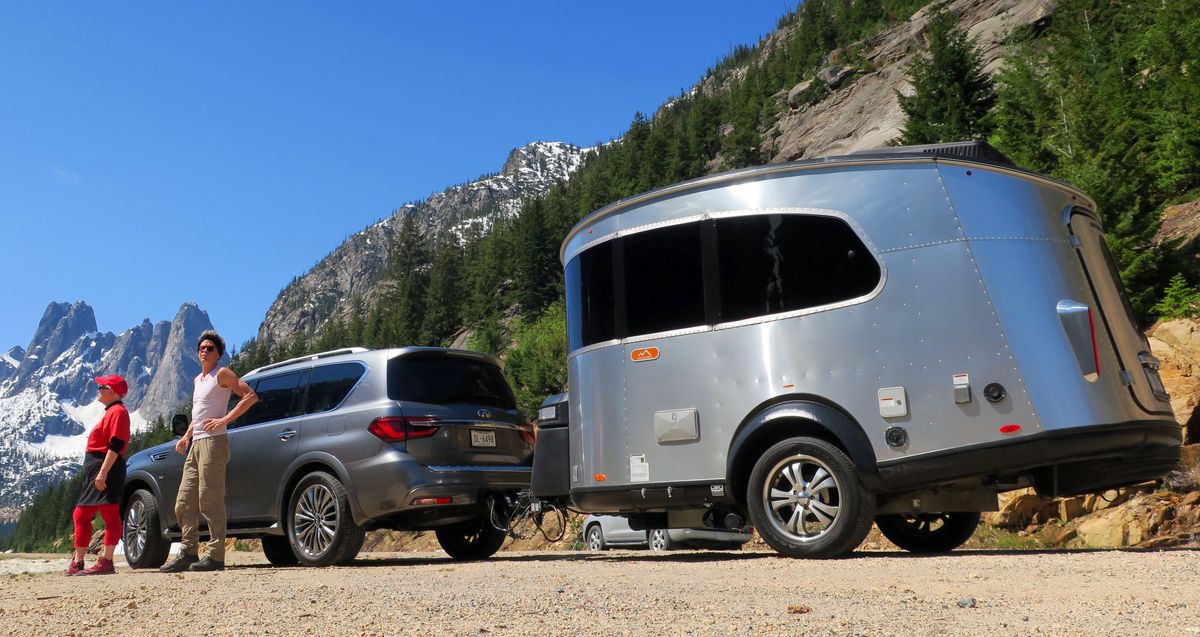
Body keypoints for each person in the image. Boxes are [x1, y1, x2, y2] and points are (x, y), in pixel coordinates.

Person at [160, 330, 257, 572]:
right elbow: (199, 415)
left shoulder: (221, 374)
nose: (205, 350)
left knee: (209, 499)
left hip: (215, 442)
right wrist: (185, 437)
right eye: (202, 347)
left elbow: (250, 396)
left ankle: (215, 556)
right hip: (196, 444)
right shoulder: (197, 380)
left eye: (210, 348)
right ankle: (188, 551)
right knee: (184, 502)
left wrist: (224, 419)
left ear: (218, 354)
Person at [65, 374, 132, 576]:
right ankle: (80, 561)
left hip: (105, 467)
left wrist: (103, 472)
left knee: (108, 513)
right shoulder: (113, 412)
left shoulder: (118, 412)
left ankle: (106, 561)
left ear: (112, 391)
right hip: (99, 466)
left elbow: (117, 445)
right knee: (83, 514)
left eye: (102, 387)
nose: (99, 389)